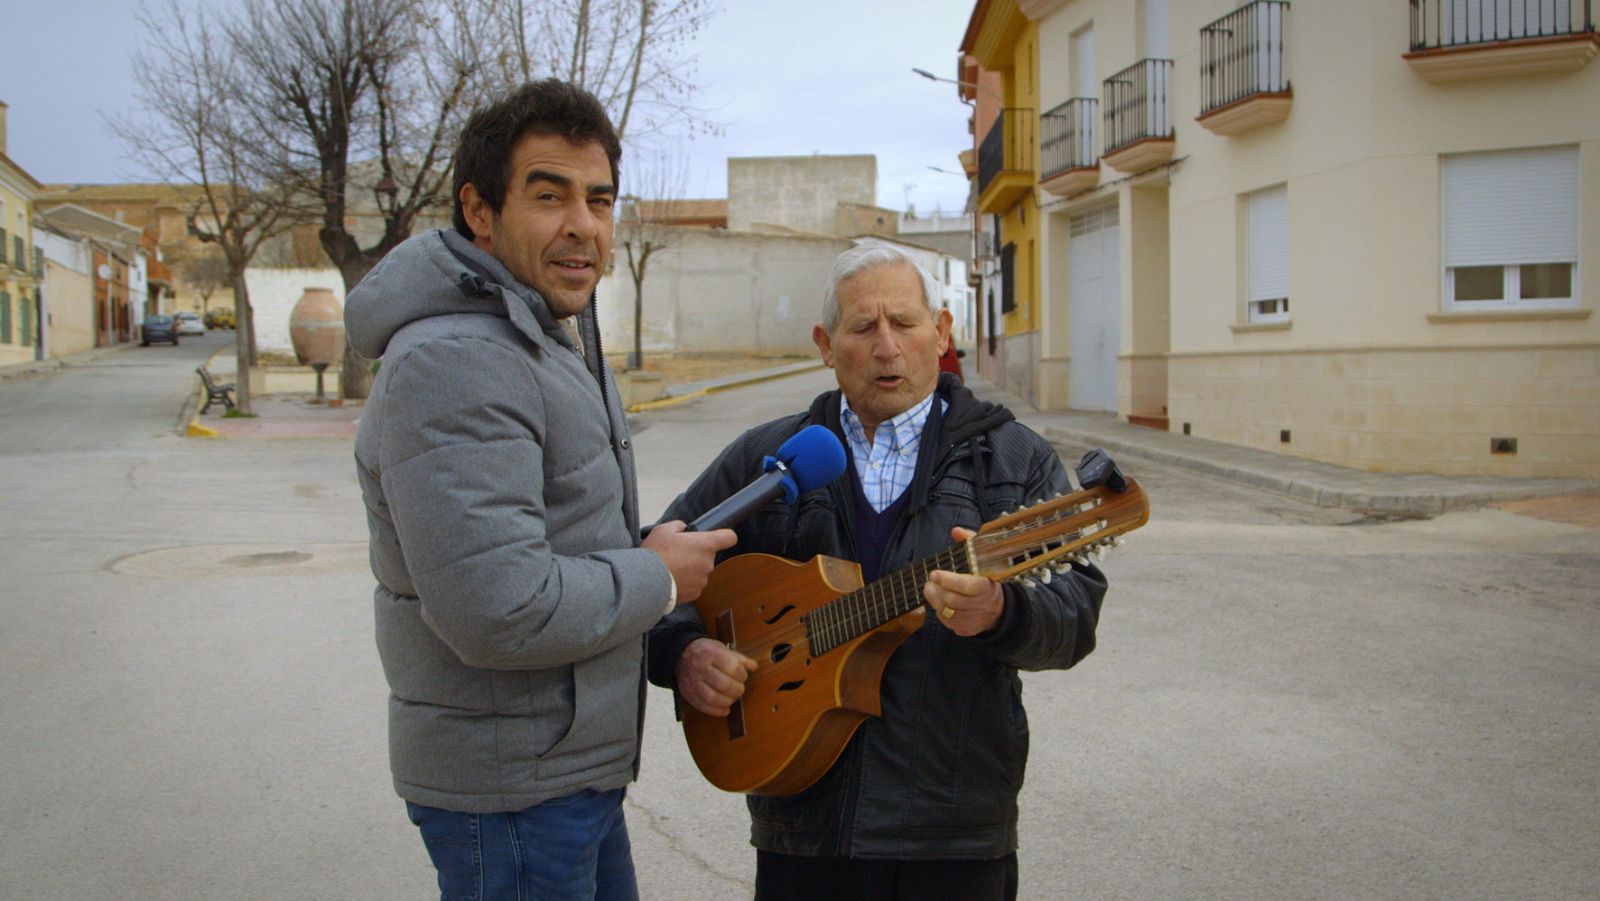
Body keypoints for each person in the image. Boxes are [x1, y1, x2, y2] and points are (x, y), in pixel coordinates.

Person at [346, 79, 734, 901]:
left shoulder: (535, 333)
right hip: (513, 794)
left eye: (600, 199)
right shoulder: (457, 362)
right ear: (479, 212)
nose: (583, 225)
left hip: (560, 770)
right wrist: (658, 578)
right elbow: (498, 607)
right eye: (549, 195)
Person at [647, 242, 1109, 901]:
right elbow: (657, 569)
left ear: (942, 332)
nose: (887, 347)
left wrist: (1003, 612)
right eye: (863, 327)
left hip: (954, 834)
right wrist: (684, 651)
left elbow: (1074, 617)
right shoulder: (769, 459)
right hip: (803, 825)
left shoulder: (1012, 460)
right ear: (825, 345)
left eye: (906, 323)